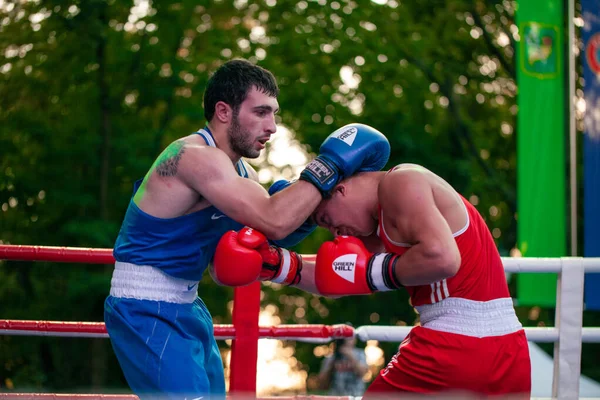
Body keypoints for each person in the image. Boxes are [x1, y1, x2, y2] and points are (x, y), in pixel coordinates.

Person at [103, 58, 391, 400]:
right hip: (144, 305)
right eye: (261, 113)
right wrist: (328, 166)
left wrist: (315, 212)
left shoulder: (243, 174)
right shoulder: (193, 156)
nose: (272, 126)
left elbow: (258, 244)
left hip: (188, 305)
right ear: (224, 112)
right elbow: (274, 219)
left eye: (274, 114)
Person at [213, 163, 531, 398]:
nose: (337, 233)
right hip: (509, 351)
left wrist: (370, 272)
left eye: (327, 220)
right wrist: (276, 264)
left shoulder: (400, 183)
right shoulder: (386, 220)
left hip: (456, 346)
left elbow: (442, 259)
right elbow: (338, 275)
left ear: (340, 188)